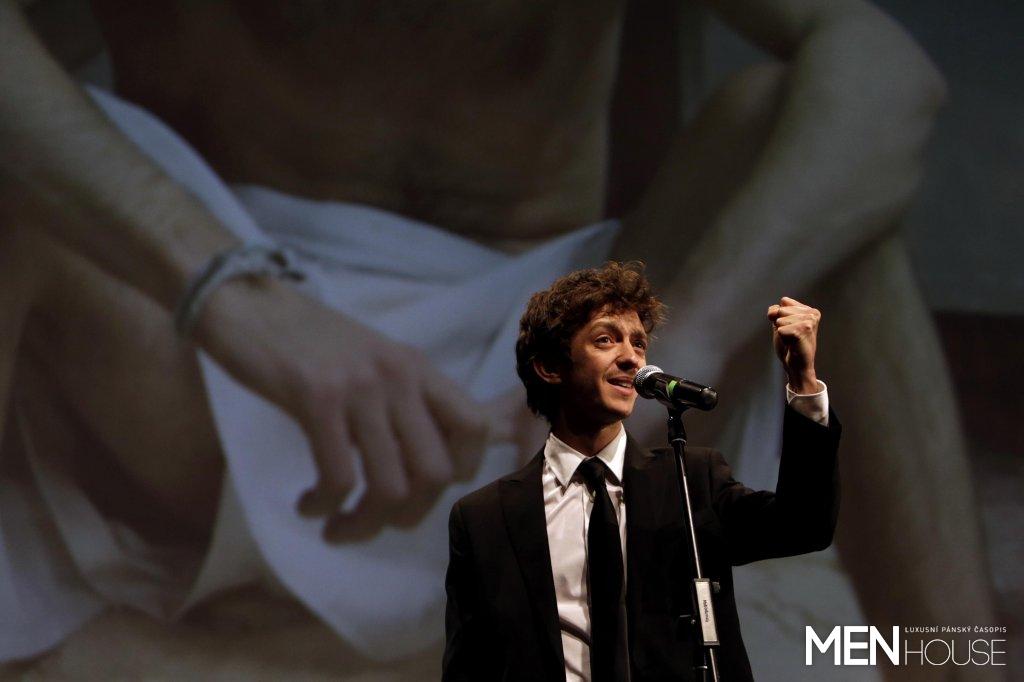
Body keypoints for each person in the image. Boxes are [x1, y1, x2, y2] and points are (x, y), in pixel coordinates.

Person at [0, 0, 997, 677]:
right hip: (208, 339)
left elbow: (886, 73)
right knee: (26, 165)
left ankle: (956, 668)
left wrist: (677, 345)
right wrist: (234, 293)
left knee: (804, 139)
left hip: (549, 347)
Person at [442, 262, 840, 682]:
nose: (631, 358)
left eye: (638, 343)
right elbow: (467, 668)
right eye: (605, 339)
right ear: (550, 367)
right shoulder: (484, 518)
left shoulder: (690, 480)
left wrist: (803, 380)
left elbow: (804, 525)